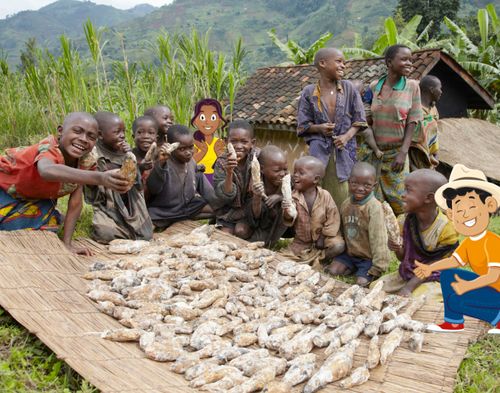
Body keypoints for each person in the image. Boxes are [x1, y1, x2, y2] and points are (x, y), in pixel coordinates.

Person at [0, 112, 129, 255]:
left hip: (31, 198)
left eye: (91, 137)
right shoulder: (49, 148)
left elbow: (75, 202)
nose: (83, 139)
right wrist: (100, 178)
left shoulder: (86, 160)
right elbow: (46, 170)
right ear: (61, 131)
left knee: (49, 224)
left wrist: (67, 243)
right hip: (3, 190)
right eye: (77, 131)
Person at [414, 164, 500, 334]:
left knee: (456, 302)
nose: (465, 214)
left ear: (489, 205)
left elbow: (493, 275)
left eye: (472, 207)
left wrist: (468, 286)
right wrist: (429, 268)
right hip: (492, 290)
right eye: (459, 209)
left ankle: (497, 318)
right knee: (447, 275)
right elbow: (454, 261)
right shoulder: (469, 242)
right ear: (452, 215)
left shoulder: (493, 242)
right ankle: (453, 322)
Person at [297, 48, 367, 209]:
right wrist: (319, 128)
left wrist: (346, 137)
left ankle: (341, 231)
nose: (343, 65)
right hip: (319, 152)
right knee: (317, 193)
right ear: (322, 63)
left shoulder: (349, 88)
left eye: (344, 62)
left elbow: (360, 120)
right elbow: (302, 126)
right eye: (339, 61)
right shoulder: (309, 92)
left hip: (344, 153)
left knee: (343, 195)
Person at [375, 169, 459, 297]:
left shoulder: (446, 229)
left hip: (435, 276)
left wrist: (409, 287)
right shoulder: (404, 221)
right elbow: (403, 258)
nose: (402, 195)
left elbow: (437, 265)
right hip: (409, 273)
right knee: (376, 287)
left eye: (408, 190)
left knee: (419, 296)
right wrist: (397, 247)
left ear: (428, 198)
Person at [370, 44, 423, 215]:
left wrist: (403, 152)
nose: (409, 63)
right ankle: (384, 239)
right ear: (389, 62)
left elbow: (413, 121)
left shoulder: (412, 86)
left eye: (411, 60)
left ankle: (406, 237)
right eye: (404, 59)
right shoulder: (374, 87)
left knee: (401, 201)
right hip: (374, 154)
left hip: (396, 154)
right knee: (375, 202)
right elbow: (367, 119)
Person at [85, 112, 153, 243]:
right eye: (117, 132)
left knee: (147, 234)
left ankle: (128, 230)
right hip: (107, 206)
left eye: (123, 131)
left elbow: (135, 181)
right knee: (104, 233)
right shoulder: (93, 154)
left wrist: (129, 156)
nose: (122, 135)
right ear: (100, 135)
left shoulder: (124, 152)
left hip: (128, 202)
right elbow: (92, 186)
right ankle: (122, 231)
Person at [327, 162, 391, 286]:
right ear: (349, 182)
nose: (360, 188)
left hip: (368, 258)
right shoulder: (346, 204)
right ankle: (351, 267)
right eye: (355, 183)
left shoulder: (374, 208)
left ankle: (362, 272)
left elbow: (379, 239)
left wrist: (378, 266)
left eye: (367, 185)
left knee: (361, 283)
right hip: (350, 254)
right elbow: (341, 230)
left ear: (374, 186)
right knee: (332, 271)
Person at [146, 125, 218, 230]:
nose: (188, 152)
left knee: (219, 209)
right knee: (146, 231)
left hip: (188, 208)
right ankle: (166, 223)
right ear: (171, 146)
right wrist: (160, 164)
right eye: (182, 149)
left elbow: (210, 194)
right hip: (165, 212)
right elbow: (153, 187)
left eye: (191, 147)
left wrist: (218, 204)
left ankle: (186, 221)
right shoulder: (164, 163)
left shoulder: (191, 162)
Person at [282, 156, 345, 268]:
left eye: (301, 173)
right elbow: (289, 220)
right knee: (283, 258)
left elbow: (333, 218)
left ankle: (322, 259)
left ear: (315, 179)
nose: (295, 175)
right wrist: (287, 212)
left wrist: (322, 237)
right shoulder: (293, 196)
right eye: (295, 172)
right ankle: (311, 259)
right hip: (301, 241)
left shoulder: (325, 196)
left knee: (338, 246)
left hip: (325, 239)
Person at [213, 119, 258, 238]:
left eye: (244, 142)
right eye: (233, 142)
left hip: (251, 209)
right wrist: (229, 173)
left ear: (252, 143)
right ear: (226, 142)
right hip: (230, 211)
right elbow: (225, 195)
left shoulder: (258, 157)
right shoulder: (222, 162)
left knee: (240, 231)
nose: (239, 146)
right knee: (223, 237)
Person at [248, 145, 289, 247]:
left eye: (285, 169)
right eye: (277, 170)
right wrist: (257, 197)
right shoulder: (256, 183)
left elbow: (295, 199)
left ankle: (271, 241)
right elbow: (255, 215)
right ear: (262, 169)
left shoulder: (288, 181)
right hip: (260, 223)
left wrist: (279, 197)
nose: (283, 174)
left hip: (285, 225)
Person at [409, 75, 442, 170]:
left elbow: (435, 137)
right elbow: (408, 139)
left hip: (430, 162)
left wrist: (436, 157)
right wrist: (411, 165)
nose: (441, 92)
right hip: (413, 162)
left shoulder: (433, 110)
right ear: (431, 89)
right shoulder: (414, 109)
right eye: (439, 88)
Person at [191, 98, 227, 184]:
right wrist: (203, 152)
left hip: (217, 178)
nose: (207, 122)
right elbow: (190, 163)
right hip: (198, 176)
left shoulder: (219, 143)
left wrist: (219, 154)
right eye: (202, 117)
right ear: (196, 121)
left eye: (213, 117)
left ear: (219, 121)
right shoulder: (195, 143)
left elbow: (225, 164)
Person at [350, 79, 384, 162]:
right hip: (355, 130)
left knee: (368, 131)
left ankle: (376, 150)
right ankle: (376, 150)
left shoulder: (364, 103)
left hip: (358, 130)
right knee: (368, 132)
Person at [131, 115, 158, 182]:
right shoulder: (130, 156)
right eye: (140, 132)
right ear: (133, 136)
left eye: (151, 133)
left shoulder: (160, 157)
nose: (146, 136)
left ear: (156, 138)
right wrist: (140, 168)